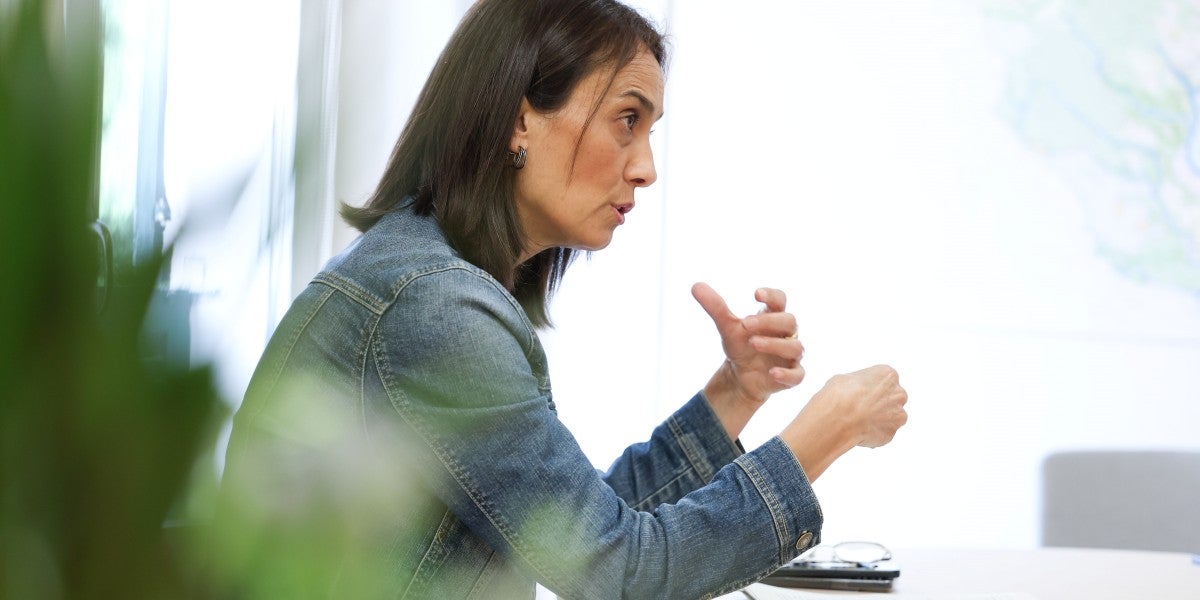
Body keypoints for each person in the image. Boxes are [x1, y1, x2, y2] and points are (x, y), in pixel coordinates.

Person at [215, 0, 908, 598]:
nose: (645, 167)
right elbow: (617, 571)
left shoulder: (425, 279)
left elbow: (572, 534)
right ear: (521, 121)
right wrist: (828, 431)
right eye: (626, 120)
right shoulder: (433, 309)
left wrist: (735, 391)